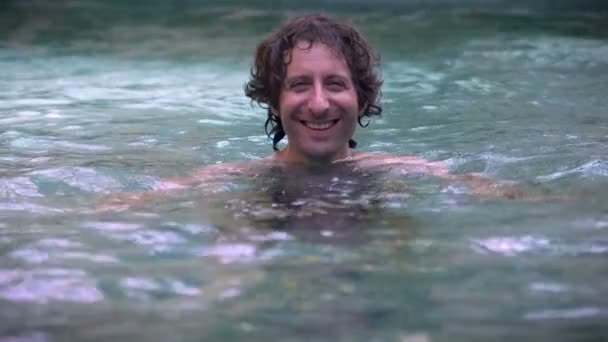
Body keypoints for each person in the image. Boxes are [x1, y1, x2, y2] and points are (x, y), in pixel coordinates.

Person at [98, 14, 521, 212]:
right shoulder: (236, 182)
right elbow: (130, 206)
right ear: (275, 102)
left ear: (361, 97)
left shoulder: (403, 173)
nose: (319, 104)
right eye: (300, 86)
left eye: (335, 84)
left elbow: (509, 198)